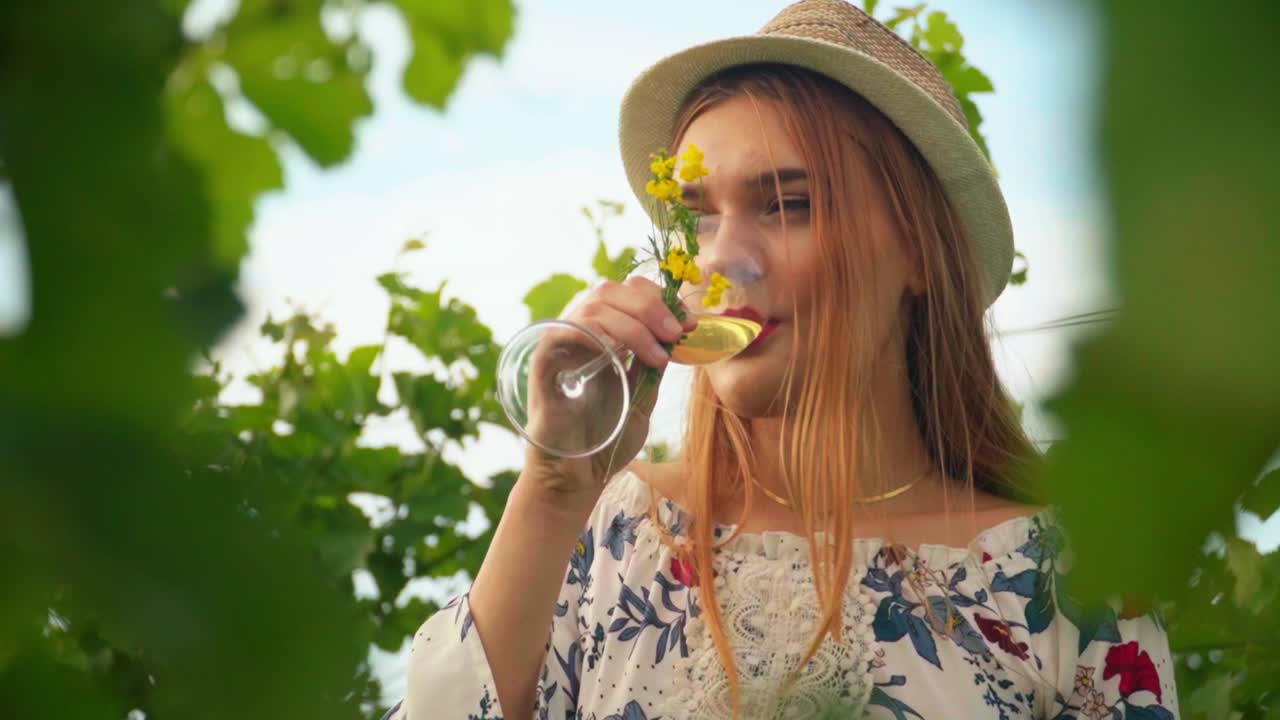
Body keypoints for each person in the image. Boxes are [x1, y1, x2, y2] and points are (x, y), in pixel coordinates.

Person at [384, 1, 1180, 718]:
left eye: (789, 204)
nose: (723, 260)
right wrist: (555, 486)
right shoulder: (615, 532)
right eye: (696, 218)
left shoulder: (1070, 586)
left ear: (919, 254)